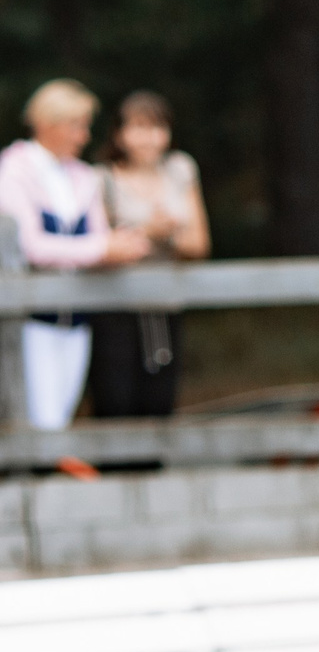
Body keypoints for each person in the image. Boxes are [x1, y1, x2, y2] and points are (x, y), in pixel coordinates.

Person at [0, 80, 150, 429]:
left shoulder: (83, 177)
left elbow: (97, 238)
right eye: (75, 125)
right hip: (33, 320)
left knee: (62, 416)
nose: (83, 136)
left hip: (77, 319)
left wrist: (123, 246)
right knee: (39, 420)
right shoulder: (14, 169)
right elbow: (30, 245)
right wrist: (102, 249)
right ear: (47, 123)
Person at [90, 91, 211, 419]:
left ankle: (152, 470)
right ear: (119, 133)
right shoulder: (101, 178)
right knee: (115, 400)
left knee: (159, 401)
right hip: (117, 306)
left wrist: (167, 234)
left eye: (157, 127)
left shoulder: (180, 169)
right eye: (139, 127)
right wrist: (148, 232)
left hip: (165, 303)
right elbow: (97, 246)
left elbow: (199, 244)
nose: (149, 138)